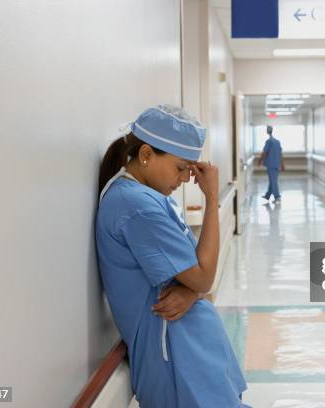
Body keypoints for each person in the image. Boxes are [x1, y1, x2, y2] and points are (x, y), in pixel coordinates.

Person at [96, 105, 248, 408]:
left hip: (190, 345)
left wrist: (191, 291)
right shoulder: (138, 206)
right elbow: (203, 276)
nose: (184, 180)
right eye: (181, 168)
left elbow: (194, 273)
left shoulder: (147, 198)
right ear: (146, 155)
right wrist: (213, 198)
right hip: (177, 353)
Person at [258, 125, 285, 202]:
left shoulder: (269, 141)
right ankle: (267, 195)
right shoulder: (277, 142)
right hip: (277, 164)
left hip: (271, 164)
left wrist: (260, 161)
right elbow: (280, 154)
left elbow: (265, 153)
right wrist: (282, 164)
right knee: (273, 180)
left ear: (267, 131)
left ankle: (277, 196)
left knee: (273, 181)